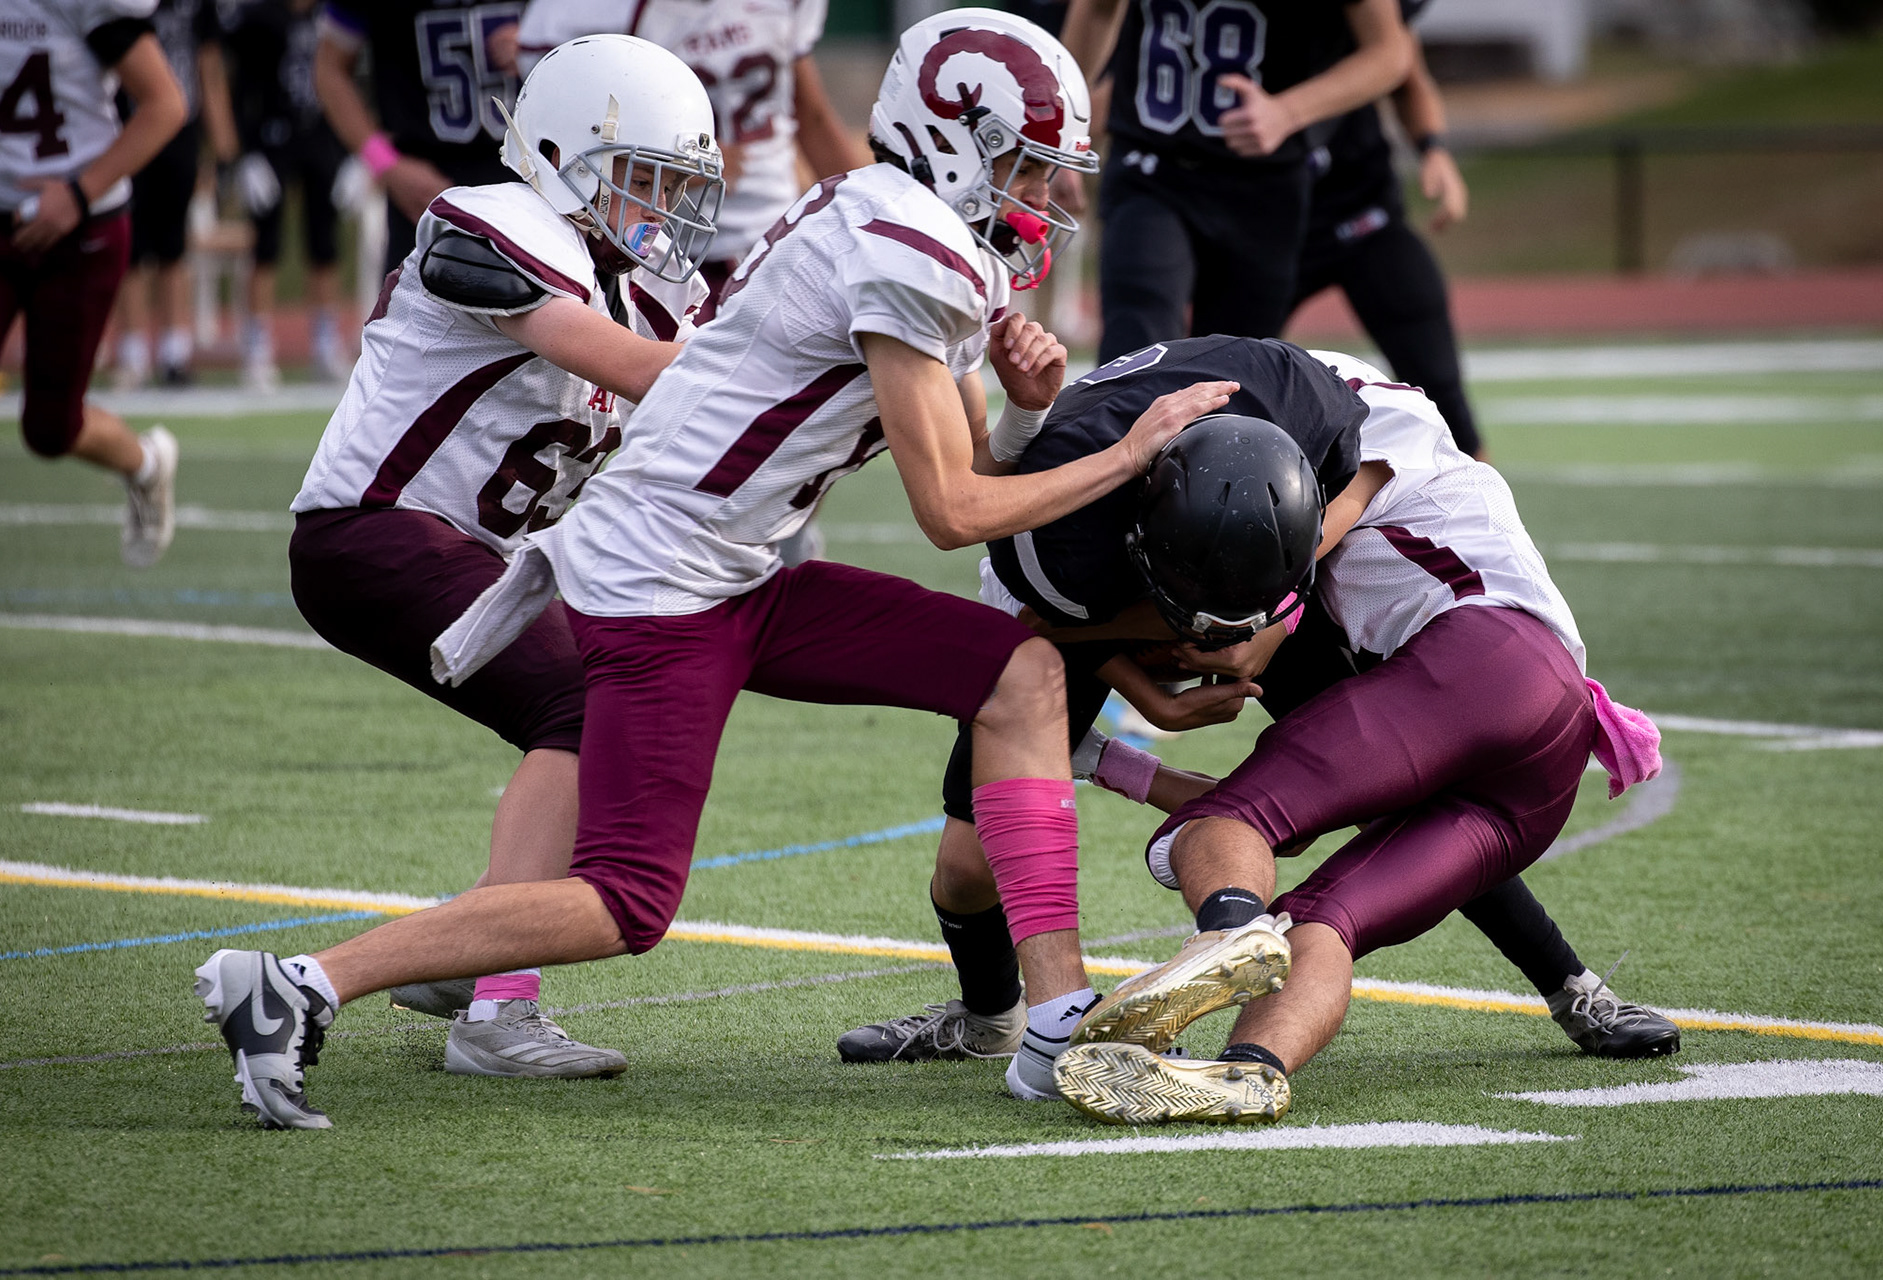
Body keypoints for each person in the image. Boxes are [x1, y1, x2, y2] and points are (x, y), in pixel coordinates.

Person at [193, 10, 1254, 1132]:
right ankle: (302, 982)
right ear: (960, 143)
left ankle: (1052, 1028)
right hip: (661, 588)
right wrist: (1131, 454)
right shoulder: (909, 242)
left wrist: (1036, 410)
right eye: (1033, 166)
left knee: (1016, 671)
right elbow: (952, 512)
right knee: (626, 901)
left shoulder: (908, 230)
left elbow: (978, 459)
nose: (1055, 197)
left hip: (734, 574)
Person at [837, 335, 1679, 1068]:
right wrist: (1145, 713)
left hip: (1285, 558)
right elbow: (1026, 646)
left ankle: (1567, 981)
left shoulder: (1324, 426)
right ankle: (987, 1016)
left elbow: (1308, 546)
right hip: (1124, 578)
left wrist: (1270, 612)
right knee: (965, 865)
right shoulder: (1058, 548)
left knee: (1410, 789)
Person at [1050, 353, 1668, 1124]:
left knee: (1221, 831)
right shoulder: (1335, 468)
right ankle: (1252, 1072)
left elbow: (1259, 610)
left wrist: (1107, 670)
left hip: (1487, 661)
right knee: (1320, 922)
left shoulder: (1370, 435)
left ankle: (1234, 936)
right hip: (1538, 766)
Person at [279, 35, 721, 1081]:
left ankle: (475, 939)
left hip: (484, 555)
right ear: (565, 156)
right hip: (374, 531)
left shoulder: (642, 288)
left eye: (678, 187)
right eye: (644, 180)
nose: (664, 211)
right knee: (579, 700)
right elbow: (631, 366)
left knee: (627, 683)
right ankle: (496, 999)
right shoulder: (491, 222)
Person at [1059, 0, 1414, 362]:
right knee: (1138, 339)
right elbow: (1098, 9)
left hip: (1263, 181)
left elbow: (1390, 51)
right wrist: (1062, 138)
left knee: (1233, 371)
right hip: (1153, 162)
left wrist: (1288, 111)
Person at [0, 0, 184, 562]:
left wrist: (79, 192)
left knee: (50, 428)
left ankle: (146, 463)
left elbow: (165, 104)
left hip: (80, 232)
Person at [512, 0, 869, 305]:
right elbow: (560, 145)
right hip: (645, 253)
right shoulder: (582, 14)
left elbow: (813, 116)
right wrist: (676, 170)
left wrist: (865, 219)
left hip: (774, 234)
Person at [1287, 2, 1483, 457]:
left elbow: (1403, 67)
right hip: (1265, 224)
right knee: (1220, 380)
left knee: (1440, 390)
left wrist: (1433, 149)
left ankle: (1479, 519)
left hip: (1363, 210)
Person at [199, 0, 351, 389]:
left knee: (325, 243)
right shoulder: (259, 17)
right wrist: (244, 155)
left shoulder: (330, 15)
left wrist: (355, 154)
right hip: (273, 137)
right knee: (266, 245)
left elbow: (351, 78)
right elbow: (238, 85)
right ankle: (256, 345)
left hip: (321, 137)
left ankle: (324, 342)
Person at [312, 0, 522, 274]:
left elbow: (589, 45)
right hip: (425, 192)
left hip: (529, 180)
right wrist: (386, 163)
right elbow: (330, 70)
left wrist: (545, 46)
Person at [111, 0, 215, 388]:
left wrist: (220, 149)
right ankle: (133, 352)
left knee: (174, 245)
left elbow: (209, 66)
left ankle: (174, 351)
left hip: (180, 130)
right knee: (132, 247)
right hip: (129, 127)